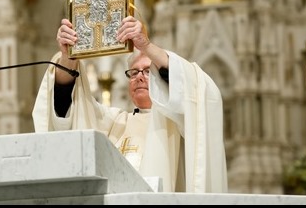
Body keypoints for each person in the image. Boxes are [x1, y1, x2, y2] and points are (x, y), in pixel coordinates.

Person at [33, 16, 228, 193]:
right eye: (134, 72)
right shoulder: (115, 124)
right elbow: (73, 109)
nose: (139, 78)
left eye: (147, 71)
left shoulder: (177, 121)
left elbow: (198, 91)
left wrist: (146, 47)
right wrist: (69, 57)